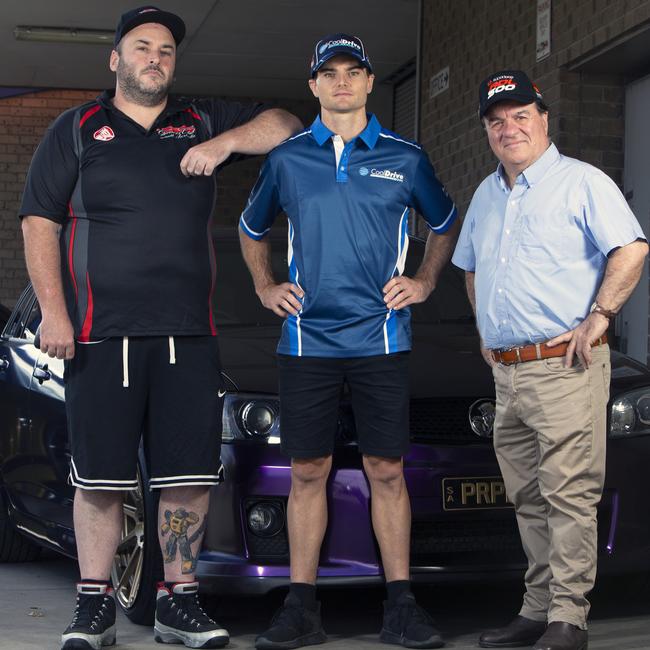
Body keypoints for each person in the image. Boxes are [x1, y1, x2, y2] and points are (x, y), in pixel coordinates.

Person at [19, 6, 301, 650]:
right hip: (100, 334)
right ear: (115, 60)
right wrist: (55, 314)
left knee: (187, 476)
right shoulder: (77, 128)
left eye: (167, 50)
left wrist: (225, 143)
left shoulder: (199, 119)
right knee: (100, 478)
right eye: (142, 46)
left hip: (188, 335)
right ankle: (94, 607)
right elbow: (40, 221)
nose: (155, 57)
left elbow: (287, 125)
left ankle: (180, 601)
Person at [238, 33, 460, 650]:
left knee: (386, 468)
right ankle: (301, 607)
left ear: (368, 82)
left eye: (353, 71)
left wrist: (424, 280)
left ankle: (400, 607)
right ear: (313, 85)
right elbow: (250, 227)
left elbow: (444, 222)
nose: (341, 82)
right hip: (307, 341)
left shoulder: (405, 157)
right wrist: (264, 287)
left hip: (381, 339)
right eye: (328, 73)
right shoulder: (286, 160)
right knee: (308, 469)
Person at [452, 70, 648, 650]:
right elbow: (470, 266)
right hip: (507, 374)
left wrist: (601, 316)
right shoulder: (488, 195)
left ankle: (569, 619)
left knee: (568, 493)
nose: (508, 128)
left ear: (542, 119)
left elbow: (632, 248)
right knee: (528, 498)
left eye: (519, 116)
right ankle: (537, 611)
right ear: (487, 131)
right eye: (496, 121)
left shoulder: (581, 183)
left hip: (566, 365)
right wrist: (486, 327)